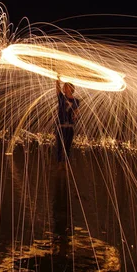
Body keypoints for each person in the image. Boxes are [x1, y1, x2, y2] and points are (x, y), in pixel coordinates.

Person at [52, 76, 80, 243]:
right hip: (60, 126)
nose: (64, 90)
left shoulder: (76, 101)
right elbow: (56, 89)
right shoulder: (61, 98)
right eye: (63, 88)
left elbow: (76, 113)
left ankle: (64, 164)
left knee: (67, 147)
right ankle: (59, 165)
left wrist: (74, 115)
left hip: (69, 127)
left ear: (72, 89)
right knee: (59, 146)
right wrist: (57, 77)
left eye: (67, 88)